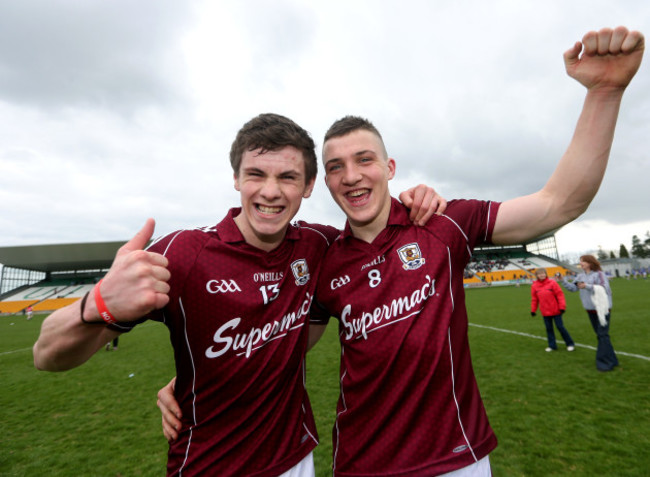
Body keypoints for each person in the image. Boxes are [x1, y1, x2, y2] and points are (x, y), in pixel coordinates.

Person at [158, 26, 643, 476]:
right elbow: (282, 344)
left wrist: (605, 94)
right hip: (361, 462)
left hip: (457, 458)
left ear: (389, 166)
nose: (351, 175)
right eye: (335, 167)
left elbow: (559, 203)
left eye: (364, 159)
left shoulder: (442, 222)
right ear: (320, 182)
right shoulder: (324, 255)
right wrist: (205, 376)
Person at [32, 113, 445, 476]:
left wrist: (415, 200)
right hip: (208, 465)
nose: (270, 191)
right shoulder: (186, 254)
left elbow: (376, 235)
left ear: (308, 186)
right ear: (235, 178)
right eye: (256, 175)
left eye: (287, 177)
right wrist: (99, 303)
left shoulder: (317, 246)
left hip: (295, 460)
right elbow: (46, 355)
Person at [562, 255, 618, 372]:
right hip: (590, 309)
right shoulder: (580, 275)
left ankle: (604, 364)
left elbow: (604, 288)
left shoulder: (599, 274)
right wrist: (564, 281)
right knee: (601, 335)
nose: (581, 263)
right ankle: (612, 359)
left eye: (583, 261)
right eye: (580, 261)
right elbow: (573, 288)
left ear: (590, 262)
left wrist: (587, 286)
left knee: (602, 335)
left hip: (602, 309)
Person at [530, 268, 575, 352]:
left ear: (546, 274)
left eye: (543, 273)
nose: (542, 275)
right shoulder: (534, 286)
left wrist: (562, 307)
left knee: (560, 327)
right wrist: (533, 310)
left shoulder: (552, 283)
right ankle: (552, 346)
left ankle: (570, 344)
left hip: (556, 310)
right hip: (545, 312)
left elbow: (560, 295)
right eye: (539, 274)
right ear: (536, 276)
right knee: (549, 329)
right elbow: (534, 299)